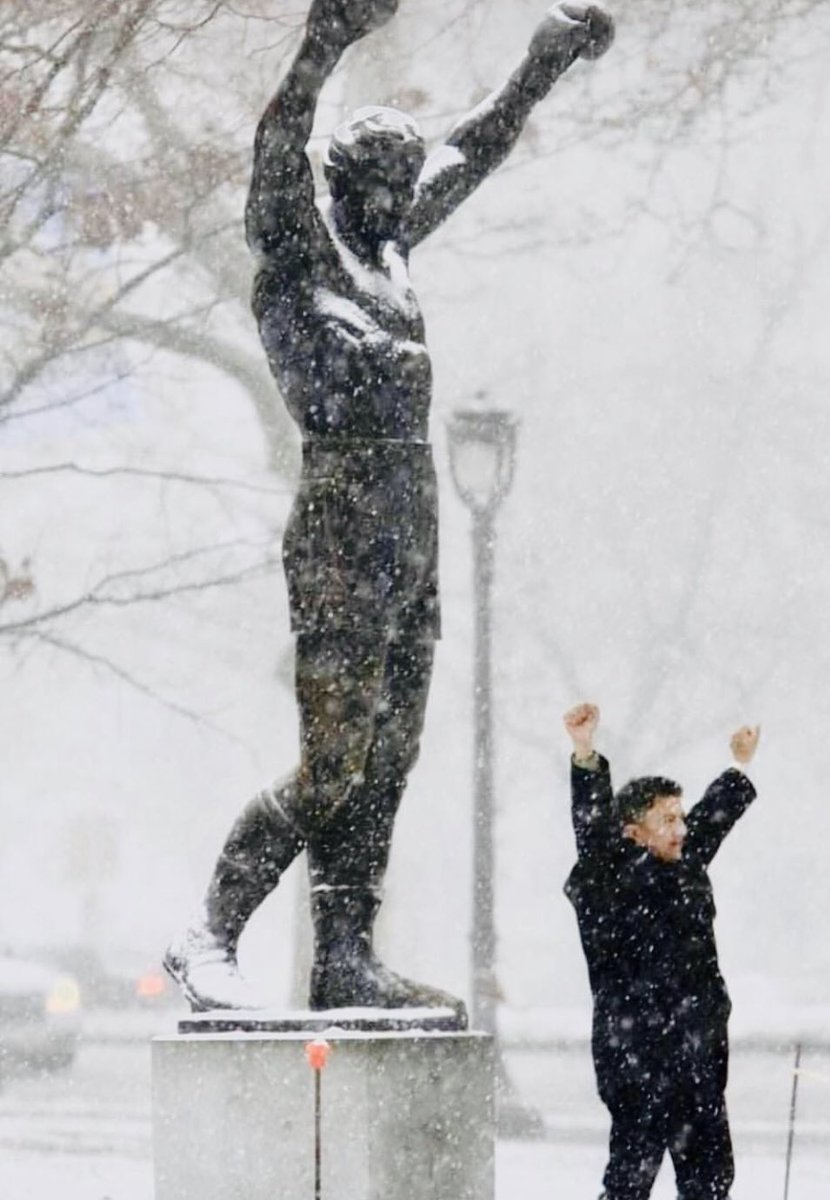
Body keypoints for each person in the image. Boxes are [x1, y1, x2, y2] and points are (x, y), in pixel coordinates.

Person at [163, 0, 614, 1015]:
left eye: (402, 189)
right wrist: (327, 37)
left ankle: (344, 955)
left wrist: (544, 60)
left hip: (411, 516)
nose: (395, 202)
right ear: (340, 184)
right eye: (377, 186)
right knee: (334, 761)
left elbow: (474, 148)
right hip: (340, 514)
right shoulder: (299, 250)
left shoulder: (392, 254)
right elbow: (277, 142)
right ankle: (208, 935)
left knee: (392, 752)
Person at [562, 702, 761, 1200]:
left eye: (680, 817)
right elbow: (592, 833)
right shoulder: (608, 881)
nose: (681, 828)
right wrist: (584, 753)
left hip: (697, 1052)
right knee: (630, 1182)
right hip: (637, 1059)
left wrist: (739, 764)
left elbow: (712, 820)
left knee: (711, 1181)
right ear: (633, 833)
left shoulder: (684, 864)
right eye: (667, 819)